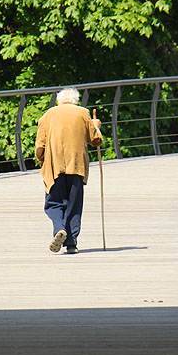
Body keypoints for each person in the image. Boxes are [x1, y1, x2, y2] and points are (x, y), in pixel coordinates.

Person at [35, 87, 102, 254]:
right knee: (74, 203)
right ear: (75, 101)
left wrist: (42, 161)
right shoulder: (83, 113)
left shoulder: (48, 115)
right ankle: (72, 244)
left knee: (53, 203)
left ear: (59, 101)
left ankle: (59, 227)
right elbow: (95, 140)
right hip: (76, 165)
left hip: (54, 166)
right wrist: (96, 126)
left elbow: (39, 146)